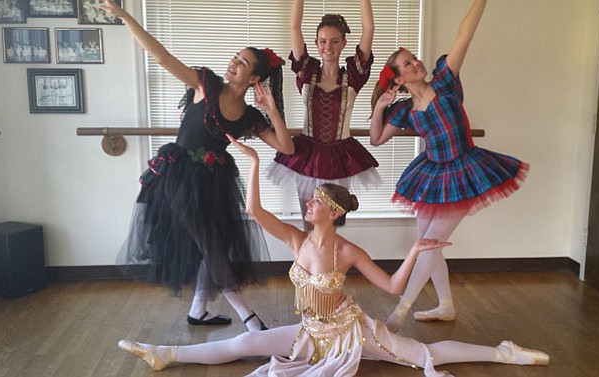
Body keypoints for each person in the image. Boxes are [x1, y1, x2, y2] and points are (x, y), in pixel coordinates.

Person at [116, 135, 549, 377]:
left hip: (352, 333)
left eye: (316, 200)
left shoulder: (348, 251)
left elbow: (394, 287)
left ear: (334, 211)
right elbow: (254, 211)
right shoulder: (296, 240)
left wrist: (416, 249)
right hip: (308, 331)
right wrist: (250, 162)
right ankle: (166, 352)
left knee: (423, 355)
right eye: (310, 200)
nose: (308, 204)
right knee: (246, 343)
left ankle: (503, 352)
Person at [101, 0, 294, 331]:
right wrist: (123, 15)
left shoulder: (249, 116)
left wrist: (272, 109)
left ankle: (199, 310)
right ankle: (248, 316)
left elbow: (286, 147)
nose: (234, 63)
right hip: (178, 176)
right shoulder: (205, 83)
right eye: (235, 57)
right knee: (211, 244)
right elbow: (161, 56)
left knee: (212, 244)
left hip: (213, 183)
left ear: (255, 77)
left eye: (243, 62)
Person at [370, 0, 528, 332]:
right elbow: (376, 139)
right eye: (407, 63)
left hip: (464, 170)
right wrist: (379, 107)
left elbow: (463, 36)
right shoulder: (405, 110)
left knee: (428, 244)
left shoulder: (443, 78)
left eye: (414, 58)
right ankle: (445, 305)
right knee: (428, 242)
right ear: (398, 78)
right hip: (433, 172)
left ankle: (402, 309)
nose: (416, 63)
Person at [268, 0, 380, 231]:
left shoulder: (354, 74)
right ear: (317, 44)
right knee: (309, 220)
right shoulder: (307, 72)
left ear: (343, 44)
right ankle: (308, 266)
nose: (328, 47)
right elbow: (294, 28)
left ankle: (331, 266)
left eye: (334, 41)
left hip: (340, 156)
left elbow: (369, 29)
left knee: (333, 222)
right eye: (323, 41)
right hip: (307, 156)